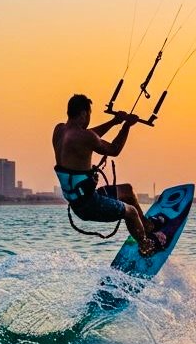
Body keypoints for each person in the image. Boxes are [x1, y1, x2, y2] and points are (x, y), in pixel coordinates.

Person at [53, 93, 165, 257]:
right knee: (131, 212)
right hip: (90, 205)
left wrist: (114, 122)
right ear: (84, 114)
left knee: (127, 191)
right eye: (89, 114)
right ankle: (146, 247)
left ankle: (146, 226)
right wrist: (126, 126)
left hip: (80, 200)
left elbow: (90, 135)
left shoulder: (59, 131)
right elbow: (114, 149)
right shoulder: (85, 137)